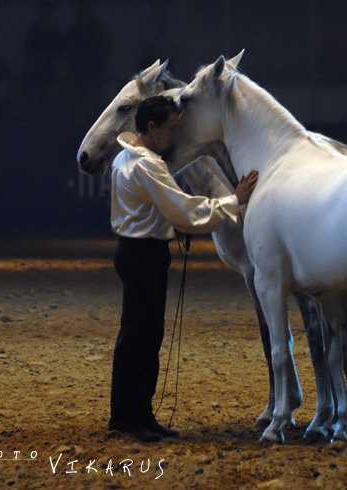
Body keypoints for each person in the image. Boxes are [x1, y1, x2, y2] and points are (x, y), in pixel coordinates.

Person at [108, 95, 258, 442]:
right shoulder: (148, 165)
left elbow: (166, 209)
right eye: (171, 129)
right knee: (143, 337)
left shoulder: (125, 158)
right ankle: (132, 418)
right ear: (152, 128)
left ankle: (132, 415)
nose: (175, 136)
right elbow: (186, 211)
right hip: (145, 254)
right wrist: (233, 200)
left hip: (133, 250)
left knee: (137, 335)